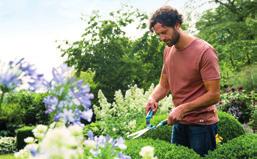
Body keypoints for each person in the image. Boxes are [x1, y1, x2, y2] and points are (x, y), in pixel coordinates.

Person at [145, 6, 220, 157]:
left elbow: (214, 95)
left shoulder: (204, 51)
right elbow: (164, 85)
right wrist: (153, 98)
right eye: (158, 34)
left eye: (164, 32)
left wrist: (182, 109)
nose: (162, 38)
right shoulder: (168, 50)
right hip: (179, 124)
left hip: (202, 125)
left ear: (177, 25)